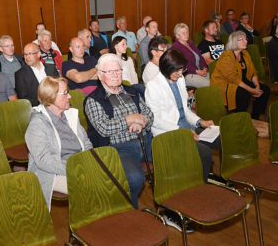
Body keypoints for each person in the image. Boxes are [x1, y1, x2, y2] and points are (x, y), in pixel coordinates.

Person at [84, 53, 152, 209]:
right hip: (119, 148)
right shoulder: (93, 100)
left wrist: (141, 123)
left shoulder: (131, 90)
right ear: (100, 76)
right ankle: (128, 211)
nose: (115, 75)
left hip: (145, 140)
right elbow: (104, 127)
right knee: (135, 179)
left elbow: (149, 114)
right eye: (110, 72)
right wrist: (130, 118)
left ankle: (170, 209)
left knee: (174, 159)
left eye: (118, 70)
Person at [145, 48, 220, 185]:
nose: (180, 75)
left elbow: (184, 110)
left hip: (186, 127)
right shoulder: (153, 86)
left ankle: (210, 177)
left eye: (182, 71)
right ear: (167, 68)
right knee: (204, 152)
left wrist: (200, 121)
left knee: (219, 138)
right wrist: (182, 131)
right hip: (169, 132)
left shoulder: (179, 80)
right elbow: (155, 120)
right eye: (177, 71)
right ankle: (200, 185)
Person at [25, 76, 93, 208]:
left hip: (78, 164)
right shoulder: (37, 124)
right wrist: (75, 168)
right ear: (51, 97)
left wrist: (90, 161)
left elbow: (86, 142)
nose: (69, 97)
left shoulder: (70, 114)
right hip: (52, 172)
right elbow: (44, 160)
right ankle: (87, 223)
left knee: (106, 176)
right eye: (65, 93)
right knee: (88, 185)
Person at [211, 31, 270, 119]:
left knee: (265, 90)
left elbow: (253, 71)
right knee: (243, 94)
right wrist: (251, 90)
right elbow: (233, 78)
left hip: (242, 81)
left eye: (245, 39)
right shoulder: (227, 56)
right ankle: (240, 118)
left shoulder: (245, 53)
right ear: (234, 42)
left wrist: (257, 86)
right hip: (227, 84)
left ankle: (254, 117)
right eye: (241, 40)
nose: (245, 41)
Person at [172, 23, 209, 88]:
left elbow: (201, 58)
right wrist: (197, 71)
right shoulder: (175, 47)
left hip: (200, 71)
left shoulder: (191, 44)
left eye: (187, 32)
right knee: (211, 84)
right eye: (183, 33)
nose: (186, 34)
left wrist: (204, 68)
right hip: (187, 75)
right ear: (177, 36)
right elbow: (180, 65)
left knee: (217, 79)